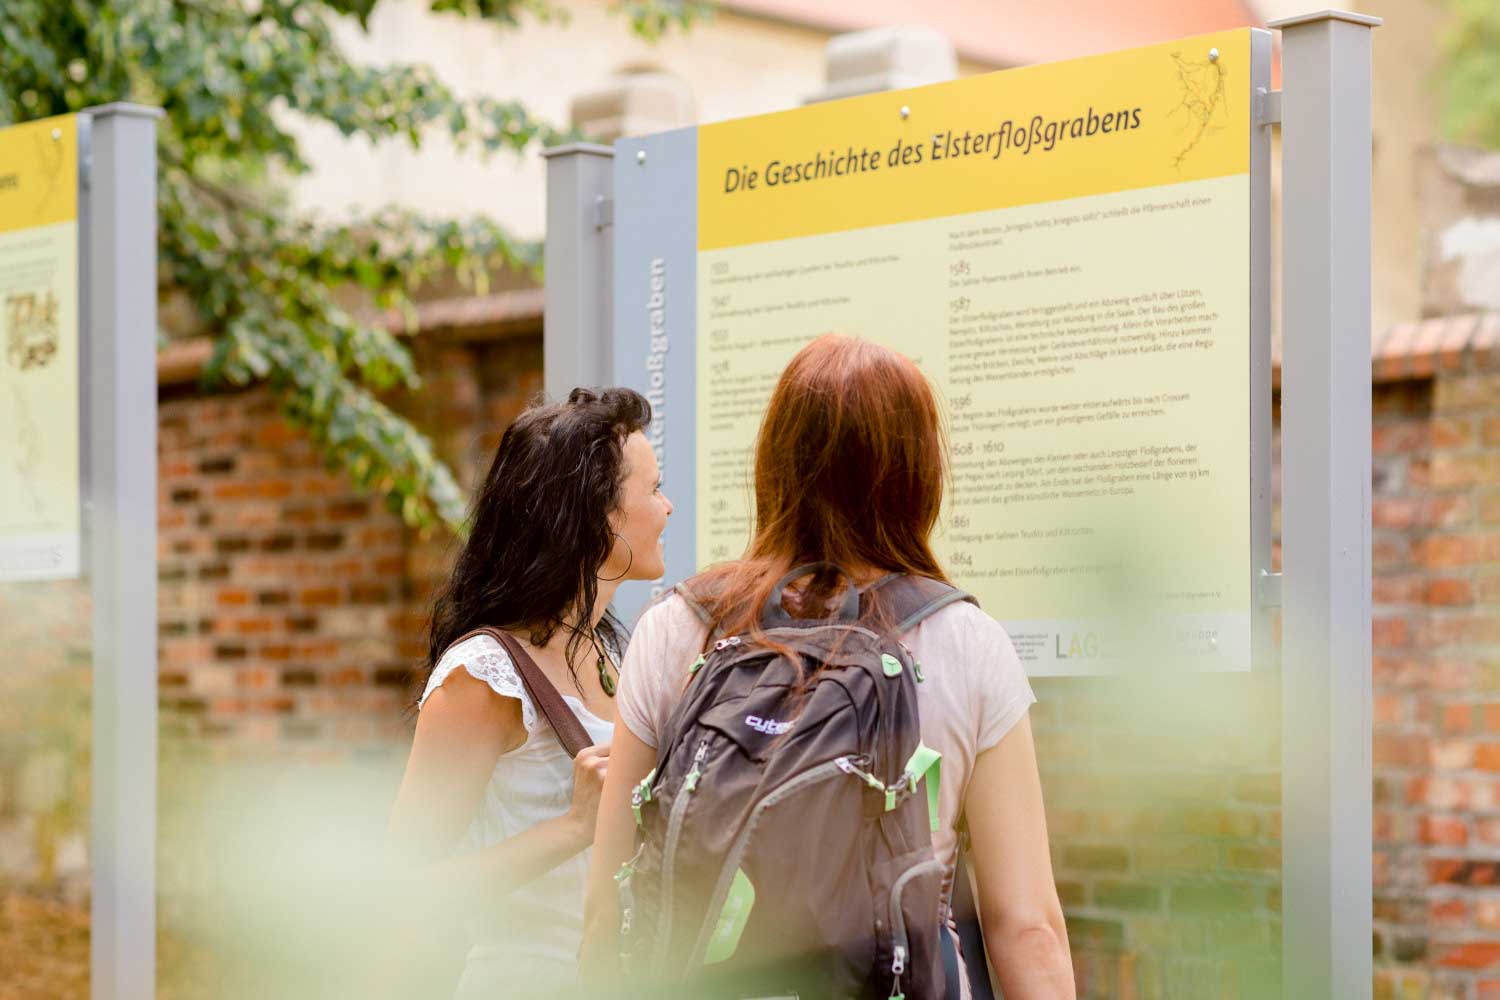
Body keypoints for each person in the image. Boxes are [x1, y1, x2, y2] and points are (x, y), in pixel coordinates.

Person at [582, 336, 1075, 999]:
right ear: (917, 472)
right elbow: (1025, 925)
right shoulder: (964, 641)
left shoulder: (678, 626)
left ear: (775, 462)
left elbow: (611, 901)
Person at [387, 387, 673, 998]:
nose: (668, 507)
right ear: (598, 516)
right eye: (652, 489)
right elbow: (402, 889)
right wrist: (574, 826)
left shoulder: (611, 654)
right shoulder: (482, 674)